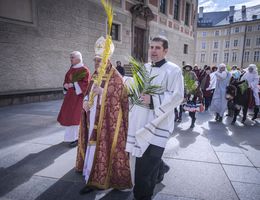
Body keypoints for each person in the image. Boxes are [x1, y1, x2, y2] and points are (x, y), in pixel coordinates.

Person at [126, 36, 184, 200]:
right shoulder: (144, 68)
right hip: (141, 120)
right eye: (151, 47)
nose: (153, 51)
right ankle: (161, 168)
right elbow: (137, 91)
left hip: (159, 122)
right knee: (145, 158)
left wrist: (153, 99)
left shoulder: (173, 70)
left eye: (157, 48)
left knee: (145, 165)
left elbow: (178, 96)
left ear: (166, 51)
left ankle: (142, 196)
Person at [75, 36, 132, 194]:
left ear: (108, 60)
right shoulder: (94, 75)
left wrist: (104, 92)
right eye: (95, 60)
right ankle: (90, 174)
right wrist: (86, 102)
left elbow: (122, 98)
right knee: (92, 146)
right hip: (92, 117)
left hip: (107, 122)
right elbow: (88, 92)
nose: (97, 63)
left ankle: (101, 179)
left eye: (100, 60)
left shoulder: (116, 77)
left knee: (104, 147)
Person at [57, 51, 91, 147]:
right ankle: (69, 137)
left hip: (79, 98)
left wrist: (74, 84)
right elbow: (66, 80)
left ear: (78, 59)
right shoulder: (71, 70)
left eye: (72, 57)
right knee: (69, 117)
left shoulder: (84, 70)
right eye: (70, 57)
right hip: (69, 97)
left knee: (75, 118)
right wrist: (65, 85)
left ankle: (76, 138)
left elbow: (86, 84)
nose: (70, 59)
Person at [182, 64, 203, 128]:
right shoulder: (183, 73)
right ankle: (180, 116)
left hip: (192, 94)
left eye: (189, 67)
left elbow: (196, 82)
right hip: (184, 93)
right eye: (186, 67)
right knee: (184, 107)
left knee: (192, 109)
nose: (187, 68)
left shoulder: (193, 73)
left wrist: (191, 88)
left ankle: (193, 121)